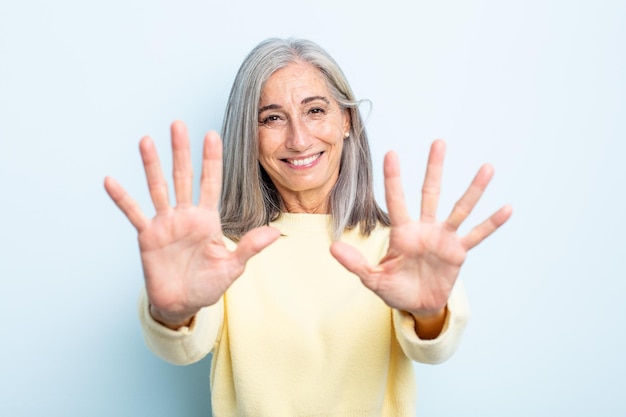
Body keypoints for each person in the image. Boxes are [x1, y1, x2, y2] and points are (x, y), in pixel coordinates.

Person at [104, 37, 512, 416]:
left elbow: (432, 350)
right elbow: (182, 349)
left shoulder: (402, 249)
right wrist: (172, 314)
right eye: (272, 118)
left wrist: (429, 313)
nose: (298, 139)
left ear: (347, 121)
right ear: (250, 134)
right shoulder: (221, 253)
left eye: (315, 110)